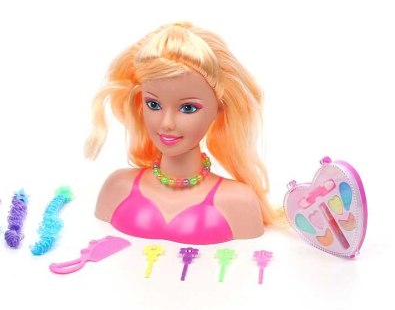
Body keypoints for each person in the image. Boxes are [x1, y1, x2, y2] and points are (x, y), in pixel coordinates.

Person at [84, 22, 279, 244]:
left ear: (219, 108)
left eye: (188, 108)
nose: (166, 123)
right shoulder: (118, 188)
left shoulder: (239, 202)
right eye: (153, 104)